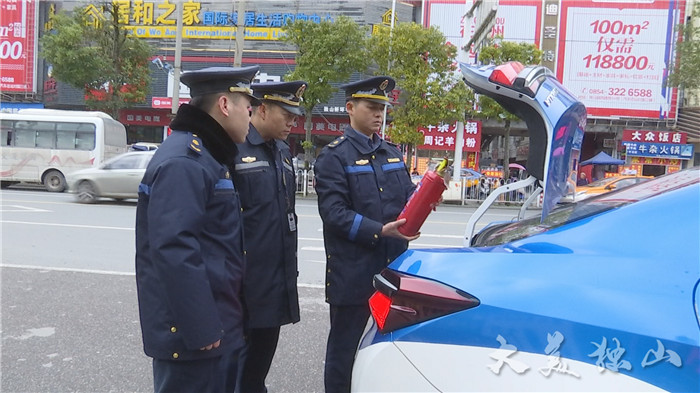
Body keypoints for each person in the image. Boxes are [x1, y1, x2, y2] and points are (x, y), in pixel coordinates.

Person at [135, 65, 260, 393]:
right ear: (224, 105)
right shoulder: (185, 160)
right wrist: (203, 329)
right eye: (247, 106)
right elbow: (174, 250)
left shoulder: (207, 155)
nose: (251, 114)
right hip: (195, 341)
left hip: (215, 330)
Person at [314, 76, 419, 393]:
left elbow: (407, 197)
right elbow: (334, 214)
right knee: (344, 351)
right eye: (372, 107)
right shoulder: (334, 157)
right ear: (350, 108)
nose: (379, 114)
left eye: (382, 108)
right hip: (353, 273)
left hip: (393, 271)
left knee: (389, 347)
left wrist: (425, 200)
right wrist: (378, 230)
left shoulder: (391, 152)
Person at [231, 80, 307, 393]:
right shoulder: (233, 148)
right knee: (237, 371)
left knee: (257, 371)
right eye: (286, 113)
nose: (293, 120)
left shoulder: (281, 151)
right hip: (243, 288)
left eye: (295, 114)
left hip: (275, 284)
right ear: (262, 109)